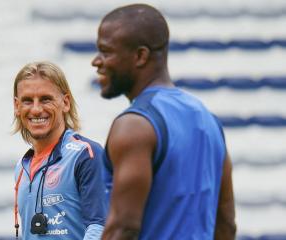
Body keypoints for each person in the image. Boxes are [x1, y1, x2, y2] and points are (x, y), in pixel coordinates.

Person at [91, 4, 236, 240]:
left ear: (140, 56)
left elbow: (123, 227)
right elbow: (226, 225)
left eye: (106, 52)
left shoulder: (134, 125)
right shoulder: (208, 121)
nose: (96, 61)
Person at [12, 61, 107, 239]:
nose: (36, 109)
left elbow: (100, 227)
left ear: (65, 102)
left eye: (45, 99)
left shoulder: (85, 154)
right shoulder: (21, 167)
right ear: (17, 106)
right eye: (27, 101)